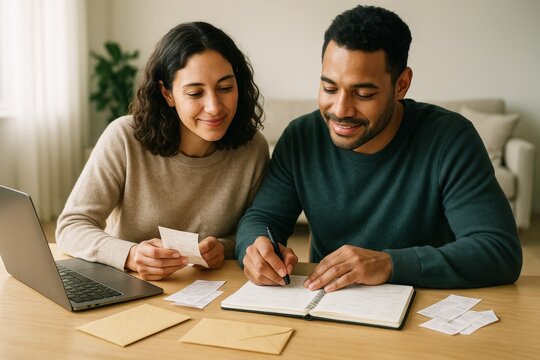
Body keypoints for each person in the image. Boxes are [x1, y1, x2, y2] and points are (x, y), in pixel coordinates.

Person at [236, 5, 522, 290]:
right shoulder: (301, 136)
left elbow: (498, 250)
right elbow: (262, 218)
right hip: (327, 302)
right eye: (329, 88)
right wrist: (256, 248)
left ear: (401, 85)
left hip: (424, 306)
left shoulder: (449, 138)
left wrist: (389, 263)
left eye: (363, 93)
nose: (341, 109)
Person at [56, 22, 269, 280]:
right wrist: (131, 255)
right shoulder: (124, 137)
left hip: (209, 291)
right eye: (195, 93)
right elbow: (71, 226)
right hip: (129, 287)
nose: (214, 107)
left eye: (225, 88)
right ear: (167, 94)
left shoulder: (253, 148)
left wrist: (221, 248)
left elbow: (247, 232)